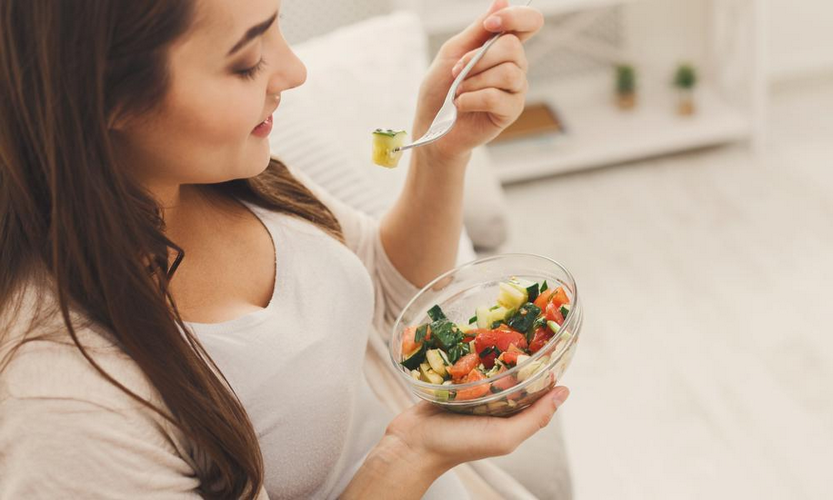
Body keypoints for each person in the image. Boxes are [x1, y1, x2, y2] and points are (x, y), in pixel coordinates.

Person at [0, 0, 567, 498]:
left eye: (276, 26)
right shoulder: (64, 406)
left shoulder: (229, 173)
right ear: (106, 97)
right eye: (247, 61)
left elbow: (391, 300)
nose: (293, 71)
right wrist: (411, 456)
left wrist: (443, 151)